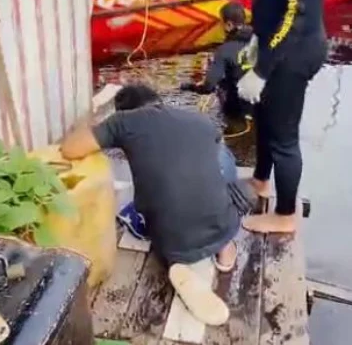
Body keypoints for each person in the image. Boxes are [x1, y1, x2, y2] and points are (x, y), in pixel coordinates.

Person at [59, 83, 239, 325]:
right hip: (221, 219)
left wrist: (88, 121)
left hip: (172, 236)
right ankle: (224, 251)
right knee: (221, 158)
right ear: (158, 100)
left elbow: (70, 149)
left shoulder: (123, 121)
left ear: (125, 110)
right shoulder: (200, 119)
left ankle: (178, 261)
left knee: (137, 202)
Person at [225, 0, 331, 234]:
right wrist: (258, 35)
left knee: (284, 135)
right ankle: (260, 179)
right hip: (276, 42)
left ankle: (285, 215)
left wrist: (265, 67)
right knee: (266, 121)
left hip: (293, 50)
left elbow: (296, 10)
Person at [179, 1, 254, 120]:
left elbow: (208, 87)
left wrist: (189, 87)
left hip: (238, 109)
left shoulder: (224, 51)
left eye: (221, 23)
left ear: (228, 25)